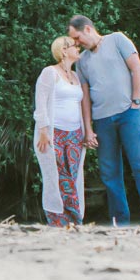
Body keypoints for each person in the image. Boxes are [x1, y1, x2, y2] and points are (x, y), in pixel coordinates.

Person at [67, 15, 140, 226]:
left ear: (87, 29)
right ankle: (120, 222)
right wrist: (88, 129)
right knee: (110, 174)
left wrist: (136, 101)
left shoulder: (117, 39)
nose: (76, 43)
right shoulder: (82, 61)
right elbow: (84, 96)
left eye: (77, 37)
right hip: (102, 120)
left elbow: (137, 69)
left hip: (128, 114)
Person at [33, 36, 87, 227]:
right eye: (75, 46)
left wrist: (86, 132)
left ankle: (73, 219)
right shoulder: (50, 72)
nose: (78, 48)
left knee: (72, 176)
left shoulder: (75, 76)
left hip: (75, 135)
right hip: (53, 134)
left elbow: (80, 105)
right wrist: (43, 130)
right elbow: (40, 102)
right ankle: (59, 220)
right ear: (64, 50)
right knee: (57, 177)